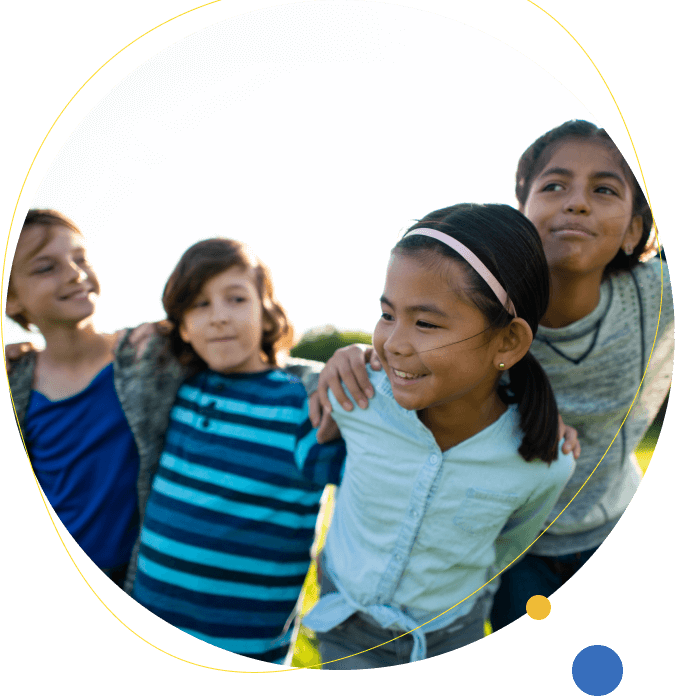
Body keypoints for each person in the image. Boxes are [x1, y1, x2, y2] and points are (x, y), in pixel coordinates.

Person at [309, 120, 674, 636]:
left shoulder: (652, 295)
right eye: (554, 185)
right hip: (514, 546)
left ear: (635, 229)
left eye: (604, 189)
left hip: (607, 521)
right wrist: (348, 354)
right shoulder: (481, 302)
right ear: (523, 212)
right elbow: (411, 335)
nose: (576, 202)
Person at [301, 203, 576, 669]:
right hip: (346, 630)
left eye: (425, 323)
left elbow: (508, 544)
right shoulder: (357, 396)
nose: (394, 343)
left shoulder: (544, 465)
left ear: (507, 342)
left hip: (453, 635)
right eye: (388, 315)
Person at [6, 210, 326, 596]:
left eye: (80, 258)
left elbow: (255, 364)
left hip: (138, 575)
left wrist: (340, 368)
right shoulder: (17, 376)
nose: (74, 274)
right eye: (46, 268)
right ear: (11, 301)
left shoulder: (151, 353)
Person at [128, 238, 346, 666]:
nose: (219, 317)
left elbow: (375, 477)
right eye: (199, 304)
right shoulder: (180, 390)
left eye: (236, 299)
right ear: (182, 326)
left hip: (243, 643)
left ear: (267, 312)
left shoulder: (303, 404)